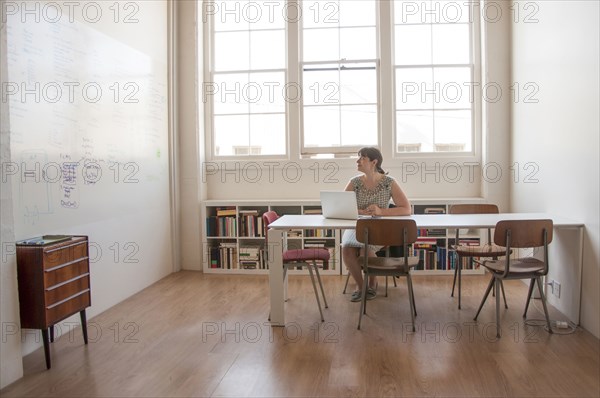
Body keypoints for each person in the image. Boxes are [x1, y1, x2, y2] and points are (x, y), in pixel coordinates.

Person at [342, 147, 411, 302]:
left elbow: (406, 209)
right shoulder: (354, 183)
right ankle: (362, 286)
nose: (357, 161)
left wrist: (381, 212)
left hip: (379, 228)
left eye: (362, 158)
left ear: (374, 162)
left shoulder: (389, 183)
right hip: (356, 226)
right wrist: (360, 211)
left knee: (365, 248)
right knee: (346, 249)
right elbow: (341, 207)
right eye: (358, 158)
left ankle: (373, 284)